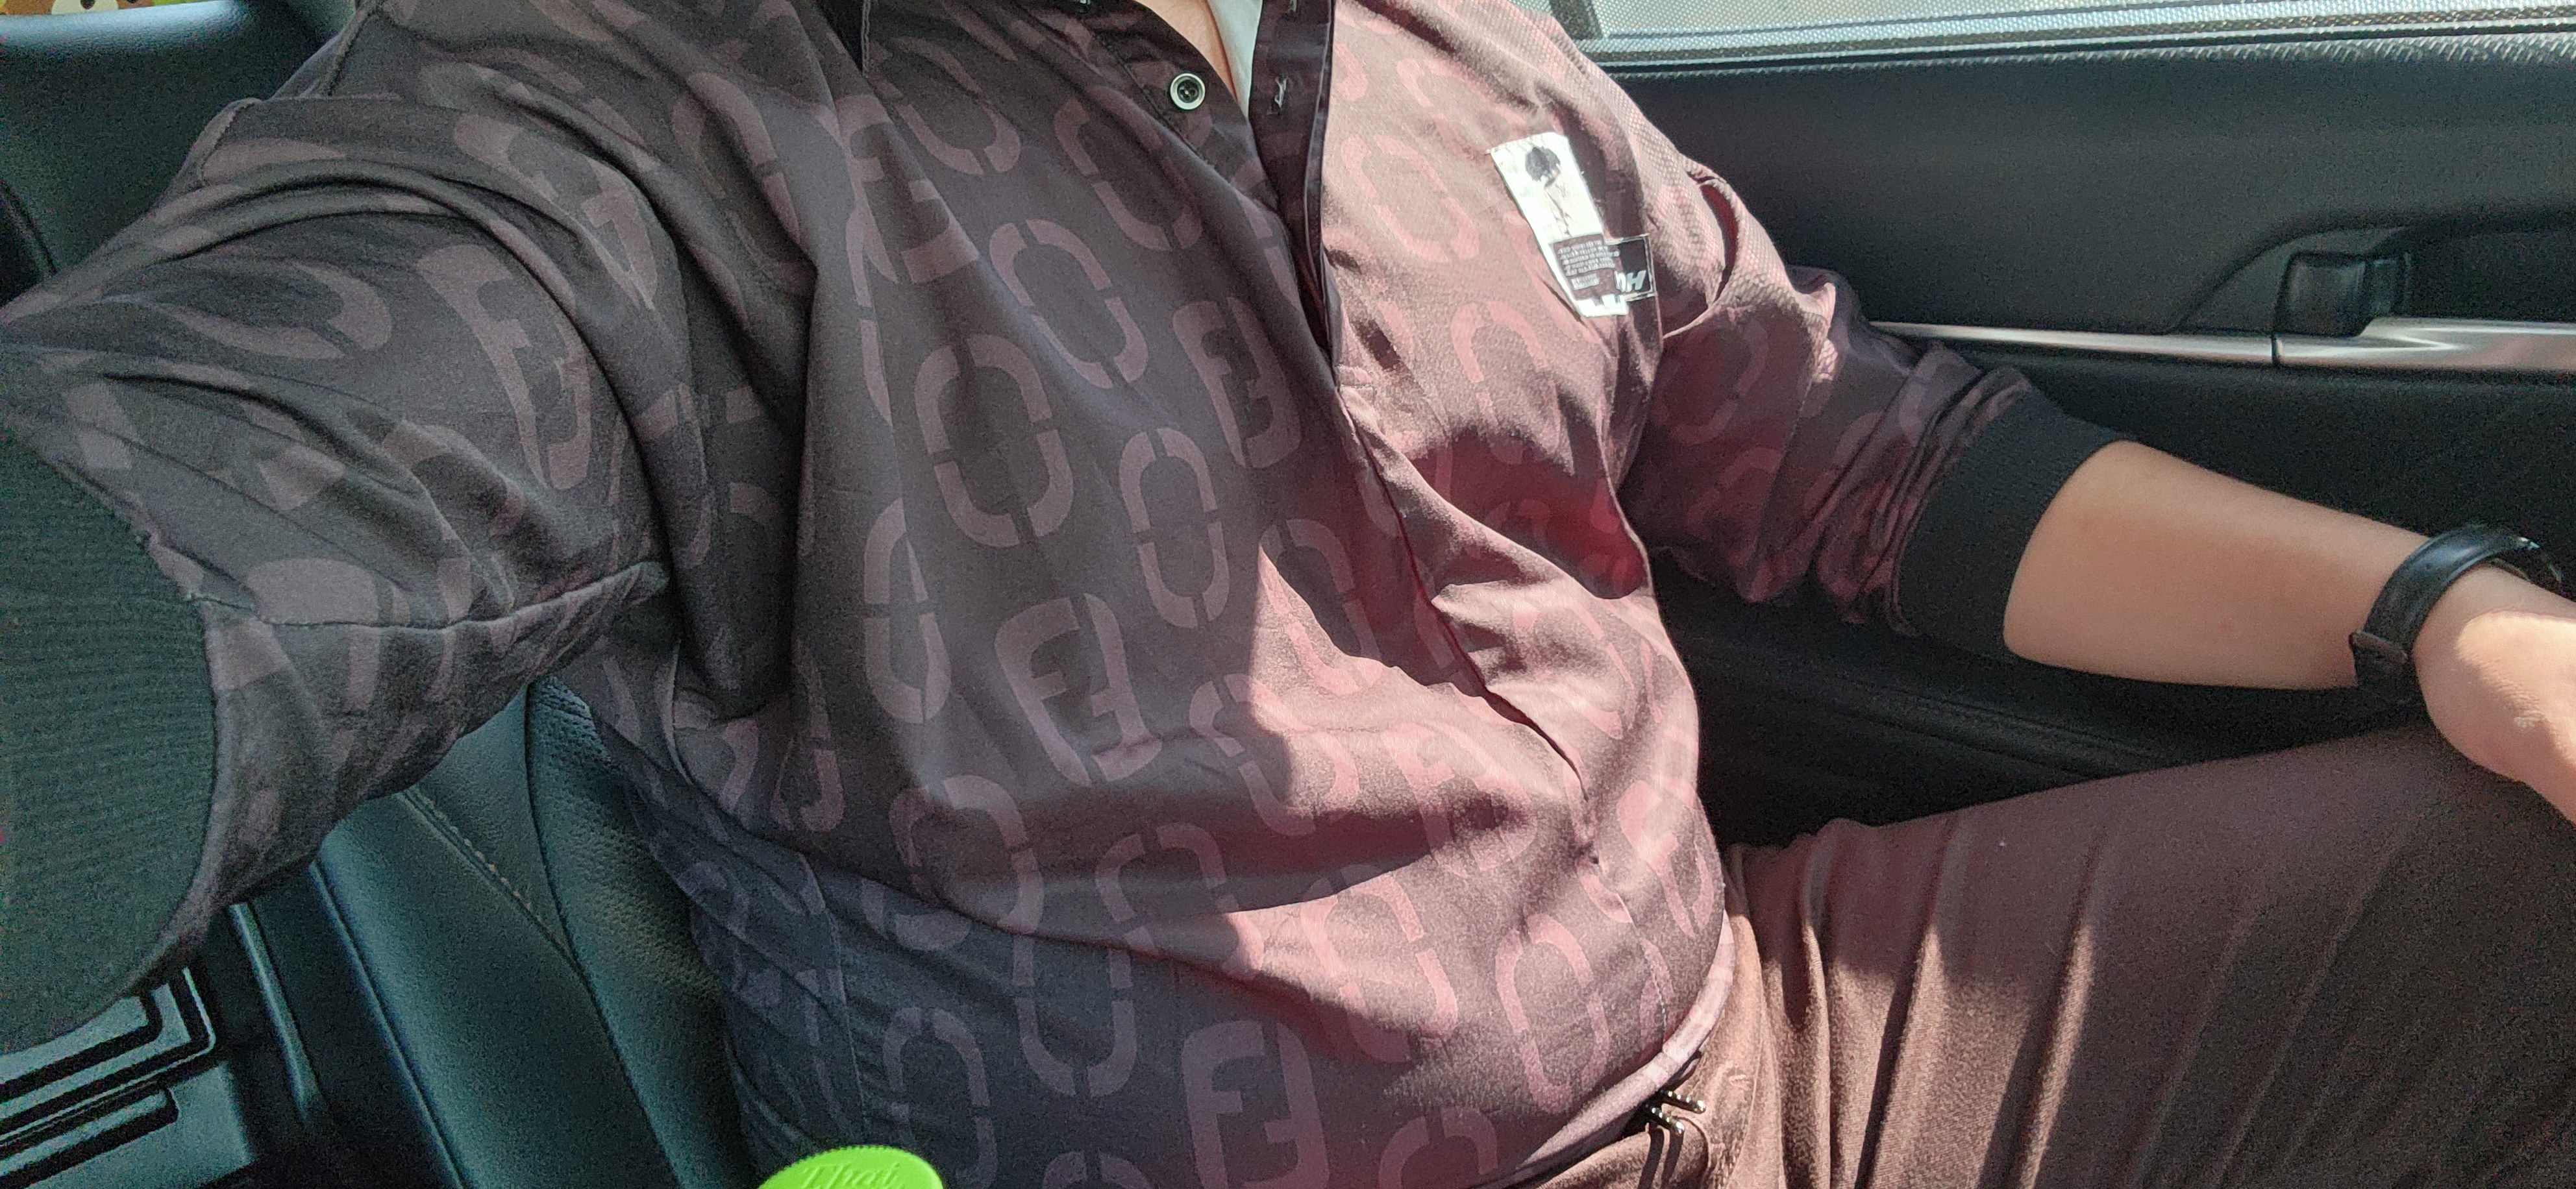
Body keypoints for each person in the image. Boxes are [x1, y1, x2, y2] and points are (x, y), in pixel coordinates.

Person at [1, 0, 2571, 1183]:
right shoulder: (630, 120)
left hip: (1758, 1042)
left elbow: (1859, 459)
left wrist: (2443, 607)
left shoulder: (1471, 53)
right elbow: (197, 530)